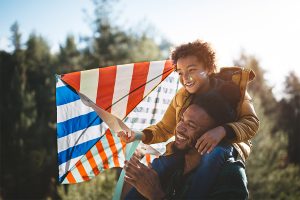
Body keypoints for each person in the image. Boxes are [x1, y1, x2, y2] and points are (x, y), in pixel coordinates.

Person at [118, 39, 259, 163]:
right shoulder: (181, 97)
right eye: (180, 72)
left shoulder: (234, 89)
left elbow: (251, 123)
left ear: (209, 68)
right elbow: (164, 129)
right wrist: (138, 135)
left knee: (214, 154)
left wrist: (222, 130)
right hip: (186, 152)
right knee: (153, 168)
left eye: (191, 70)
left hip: (221, 151)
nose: (185, 77)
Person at [123, 87, 248, 199]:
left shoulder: (230, 176)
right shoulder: (172, 168)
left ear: (212, 135)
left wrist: (156, 195)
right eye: (182, 119)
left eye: (191, 125)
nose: (179, 128)